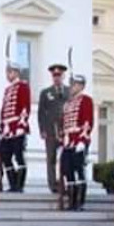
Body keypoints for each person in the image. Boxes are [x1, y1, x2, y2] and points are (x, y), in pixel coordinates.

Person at [60, 73, 94, 211]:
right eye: (72, 84)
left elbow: (87, 122)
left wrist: (82, 140)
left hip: (79, 139)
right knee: (67, 171)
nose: (72, 87)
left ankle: (80, 202)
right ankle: (72, 201)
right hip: (68, 141)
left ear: (81, 86)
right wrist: (63, 137)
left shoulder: (86, 100)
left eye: (74, 84)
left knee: (79, 170)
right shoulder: (68, 104)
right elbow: (64, 123)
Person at [0, 59, 31, 193]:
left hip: (17, 127)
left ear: (16, 73)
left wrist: (21, 124)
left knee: (18, 156)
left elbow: (25, 106)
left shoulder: (23, 86)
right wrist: (1, 126)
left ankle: (19, 185)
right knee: (5, 156)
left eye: (10, 72)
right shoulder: (7, 90)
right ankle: (12, 183)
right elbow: (4, 109)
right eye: (7, 72)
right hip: (7, 128)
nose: (8, 75)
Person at [38, 63, 70, 193]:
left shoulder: (69, 91)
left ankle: (66, 183)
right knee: (51, 157)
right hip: (51, 130)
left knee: (66, 157)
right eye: (54, 75)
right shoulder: (46, 93)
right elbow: (41, 112)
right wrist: (42, 129)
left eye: (59, 75)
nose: (57, 78)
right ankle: (53, 184)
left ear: (63, 76)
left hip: (66, 130)